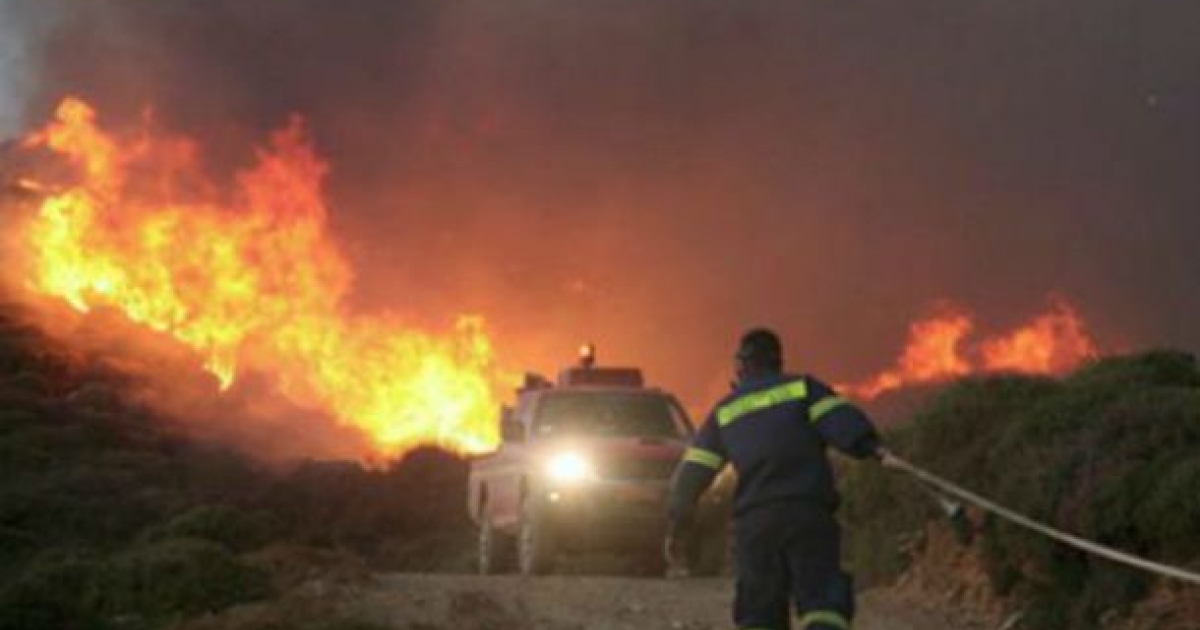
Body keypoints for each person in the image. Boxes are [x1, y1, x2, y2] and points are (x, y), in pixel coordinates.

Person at [666, 328, 895, 630]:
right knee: (822, 602)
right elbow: (844, 425)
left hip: (756, 524)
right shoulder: (803, 389)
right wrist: (871, 446)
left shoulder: (726, 411)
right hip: (808, 515)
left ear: (741, 366)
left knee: (759, 611)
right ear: (777, 362)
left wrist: (678, 525)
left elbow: (691, 474)